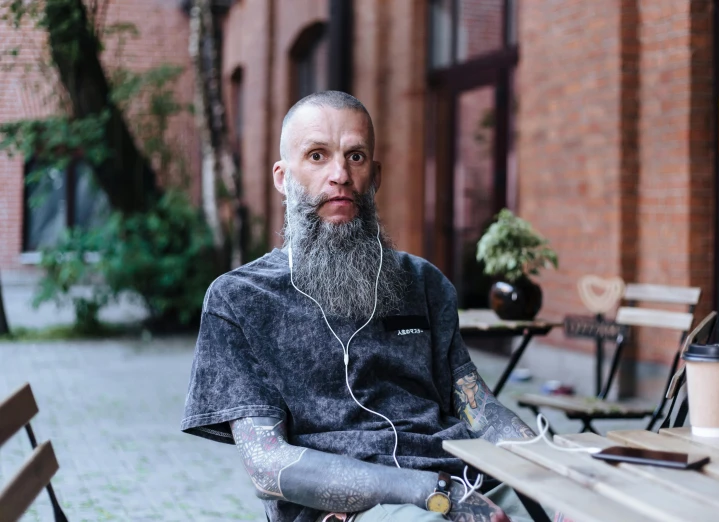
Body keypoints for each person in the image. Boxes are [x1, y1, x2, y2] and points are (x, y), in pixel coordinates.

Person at [181, 91, 540, 522]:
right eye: (317, 155)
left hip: (466, 482)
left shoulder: (424, 283)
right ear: (282, 176)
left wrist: (557, 468)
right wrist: (432, 493)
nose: (340, 175)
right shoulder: (239, 300)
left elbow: (478, 407)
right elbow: (268, 465)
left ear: (375, 175)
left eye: (355, 156)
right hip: (353, 507)